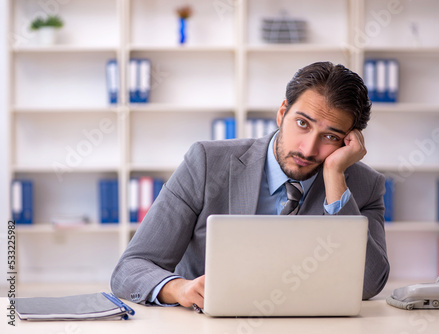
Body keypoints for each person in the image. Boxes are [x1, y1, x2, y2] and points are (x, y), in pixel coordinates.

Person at [111, 61, 390, 308]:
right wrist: (178, 288)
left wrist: (334, 178)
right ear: (282, 112)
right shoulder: (206, 163)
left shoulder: (364, 185)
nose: (308, 149)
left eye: (330, 137)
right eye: (303, 123)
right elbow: (130, 269)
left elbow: (369, 285)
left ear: (349, 141)